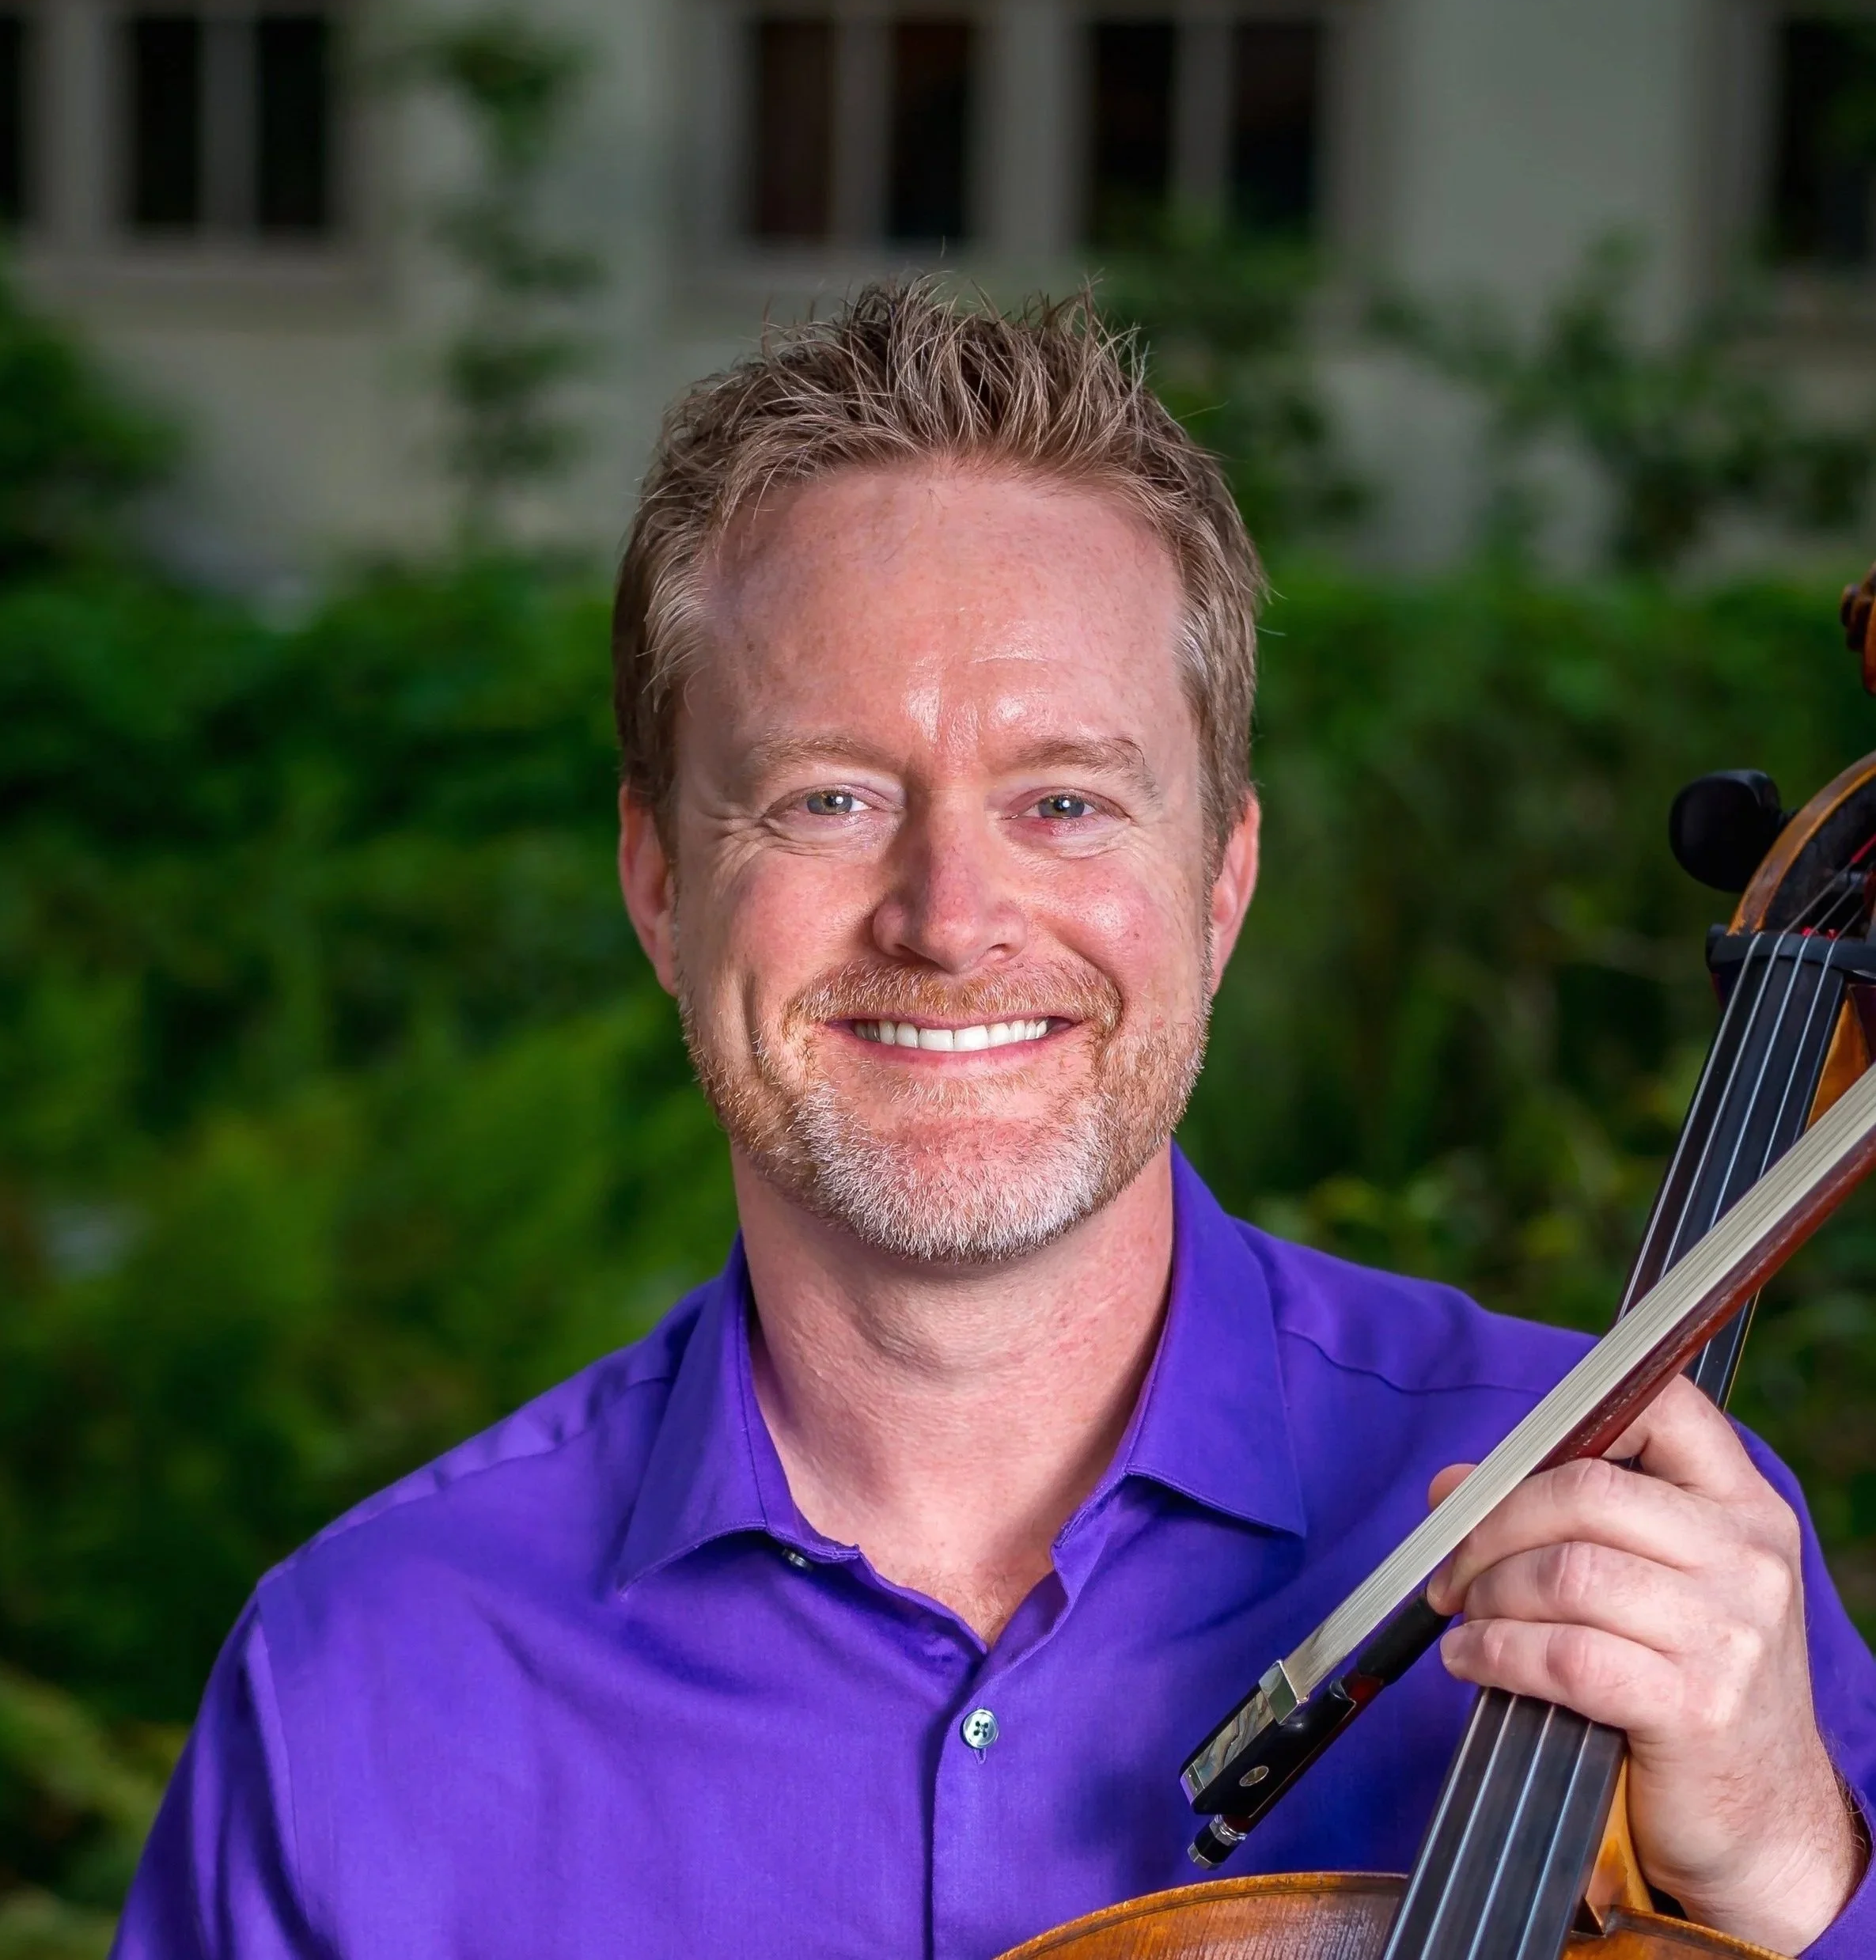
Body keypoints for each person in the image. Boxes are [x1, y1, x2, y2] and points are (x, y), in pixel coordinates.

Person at [114, 284, 1875, 1960]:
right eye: (827, 796)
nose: (948, 918)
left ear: (1221, 879)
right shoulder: (369, 1676)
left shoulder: (1639, 1532)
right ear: (659, 884)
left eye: (1061, 799)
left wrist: (1797, 1875)